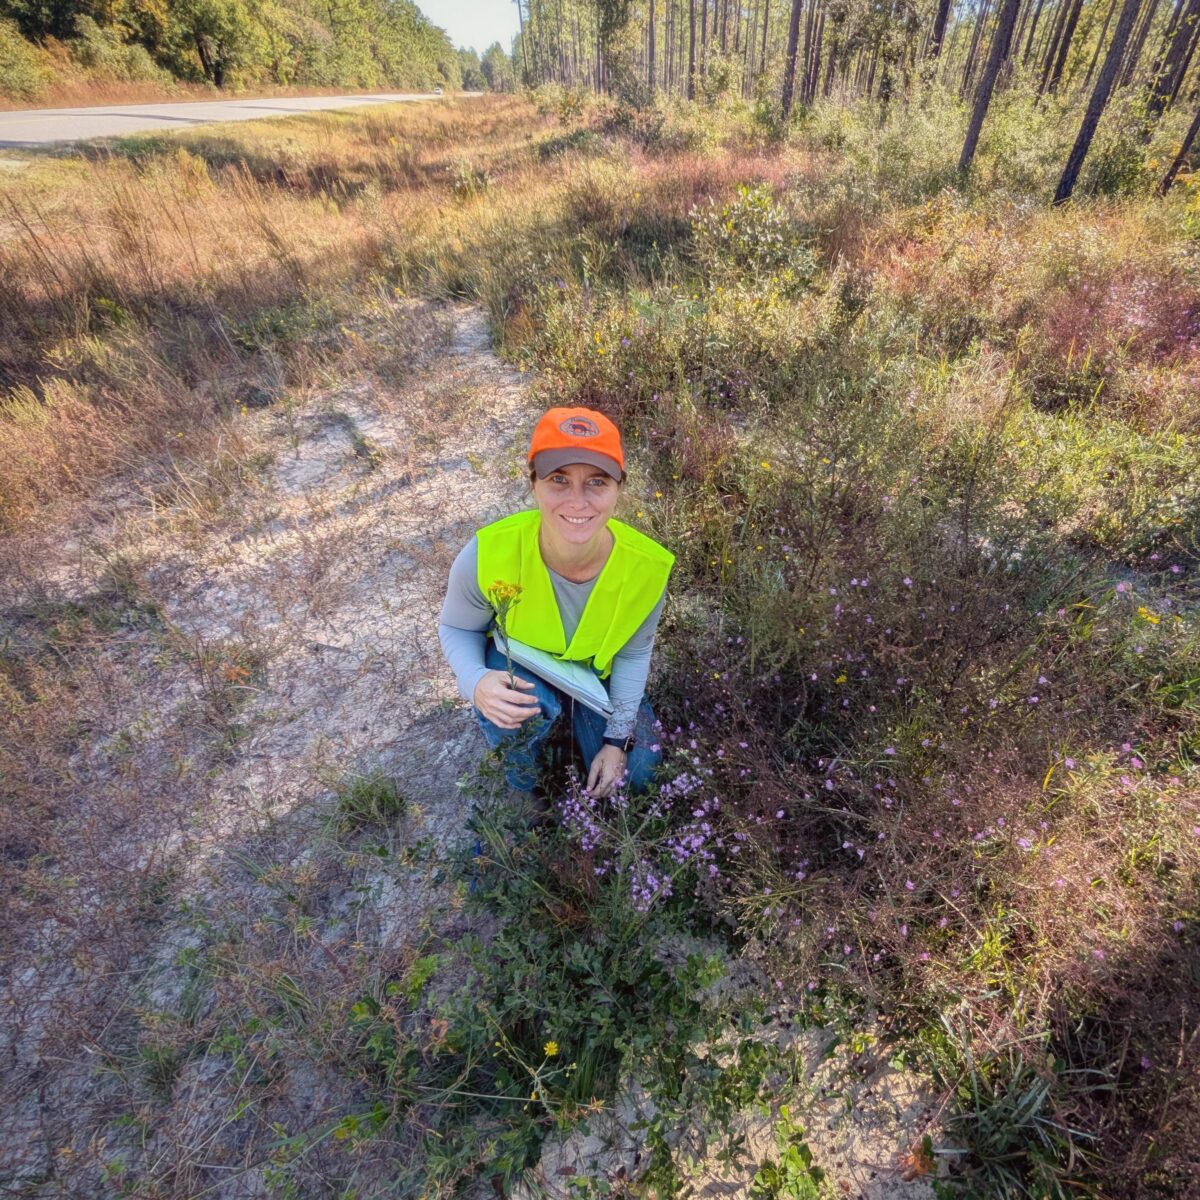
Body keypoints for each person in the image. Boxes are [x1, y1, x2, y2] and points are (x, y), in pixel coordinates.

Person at [438, 406, 674, 799]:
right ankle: (528, 792)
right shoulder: (488, 552)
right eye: (558, 479)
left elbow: (634, 655)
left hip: (596, 681)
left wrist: (616, 742)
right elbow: (457, 627)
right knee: (511, 707)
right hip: (523, 665)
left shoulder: (647, 568)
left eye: (596, 482)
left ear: (619, 488)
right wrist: (474, 680)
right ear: (534, 484)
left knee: (639, 776)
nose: (577, 501)